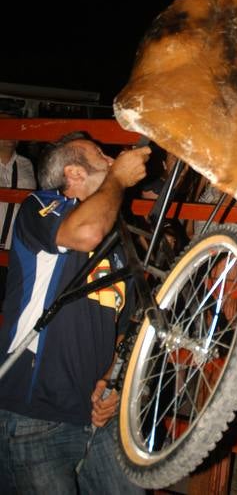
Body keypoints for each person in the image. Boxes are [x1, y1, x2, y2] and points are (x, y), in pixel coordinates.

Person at [0, 131, 151, 494]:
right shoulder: (41, 207)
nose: (111, 159)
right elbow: (84, 233)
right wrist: (117, 180)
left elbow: (119, 327)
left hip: (94, 418)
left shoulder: (116, 240)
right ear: (75, 173)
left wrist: (111, 383)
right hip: (33, 416)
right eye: (99, 154)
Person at [0, 111, 37, 307]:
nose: (10, 134)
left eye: (14, 128)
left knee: (11, 305)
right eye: (5, 127)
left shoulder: (26, 164)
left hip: (15, 250)